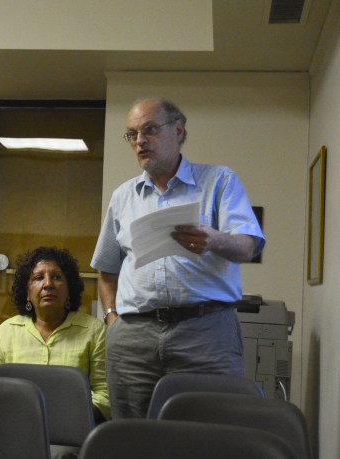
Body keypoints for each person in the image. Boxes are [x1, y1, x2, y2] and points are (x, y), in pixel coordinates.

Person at [91, 98, 265, 419]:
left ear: (178, 130)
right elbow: (107, 270)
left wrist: (214, 239)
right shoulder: (123, 196)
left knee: (208, 434)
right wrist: (112, 318)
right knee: (133, 437)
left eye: (149, 130)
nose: (140, 141)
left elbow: (249, 245)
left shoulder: (219, 181)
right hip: (133, 337)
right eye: (132, 134)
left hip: (205, 332)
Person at [0, 247, 110, 423]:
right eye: (38, 278)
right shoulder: (7, 331)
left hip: (72, 429)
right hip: (15, 424)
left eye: (57, 277)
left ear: (69, 290)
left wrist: (70, 422)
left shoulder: (94, 331)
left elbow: (104, 395)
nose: (48, 284)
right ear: (27, 293)